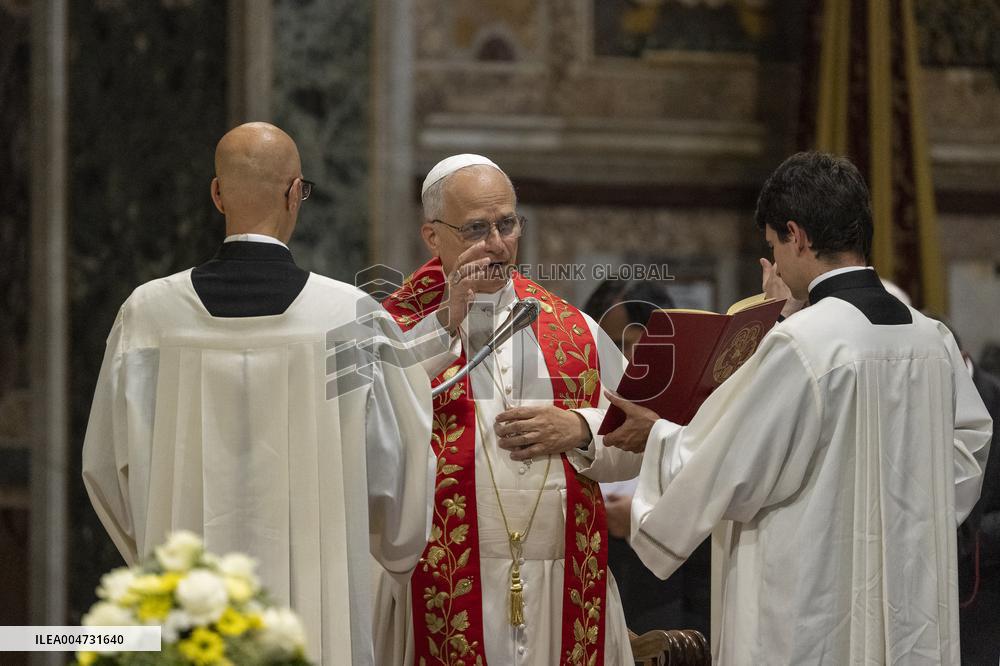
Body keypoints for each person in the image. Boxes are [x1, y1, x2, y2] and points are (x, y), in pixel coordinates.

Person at [603, 151, 993, 664]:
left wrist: (655, 436)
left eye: (773, 246)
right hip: (909, 598)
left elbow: (729, 467)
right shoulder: (933, 339)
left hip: (813, 605)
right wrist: (908, 516)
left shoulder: (802, 343)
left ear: (797, 236)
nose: (777, 264)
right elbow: (969, 449)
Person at [81, 122, 435, 665]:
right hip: (318, 617)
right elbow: (398, 469)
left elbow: (107, 468)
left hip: (188, 609)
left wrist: (156, 553)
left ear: (217, 194)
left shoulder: (148, 316)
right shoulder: (349, 320)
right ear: (295, 193)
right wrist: (391, 549)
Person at [375, 154, 642, 665]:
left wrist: (580, 429)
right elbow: (364, 425)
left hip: (561, 581)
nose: (497, 244)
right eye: (477, 228)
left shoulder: (574, 331)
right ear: (432, 236)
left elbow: (638, 439)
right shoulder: (395, 328)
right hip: (443, 578)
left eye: (507, 224)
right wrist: (444, 324)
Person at [583, 280, 711, 636]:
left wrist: (642, 512)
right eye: (610, 347)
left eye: (630, 344)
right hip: (602, 563)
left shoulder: (701, 394)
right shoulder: (587, 386)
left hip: (674, 587)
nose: (622, 360)